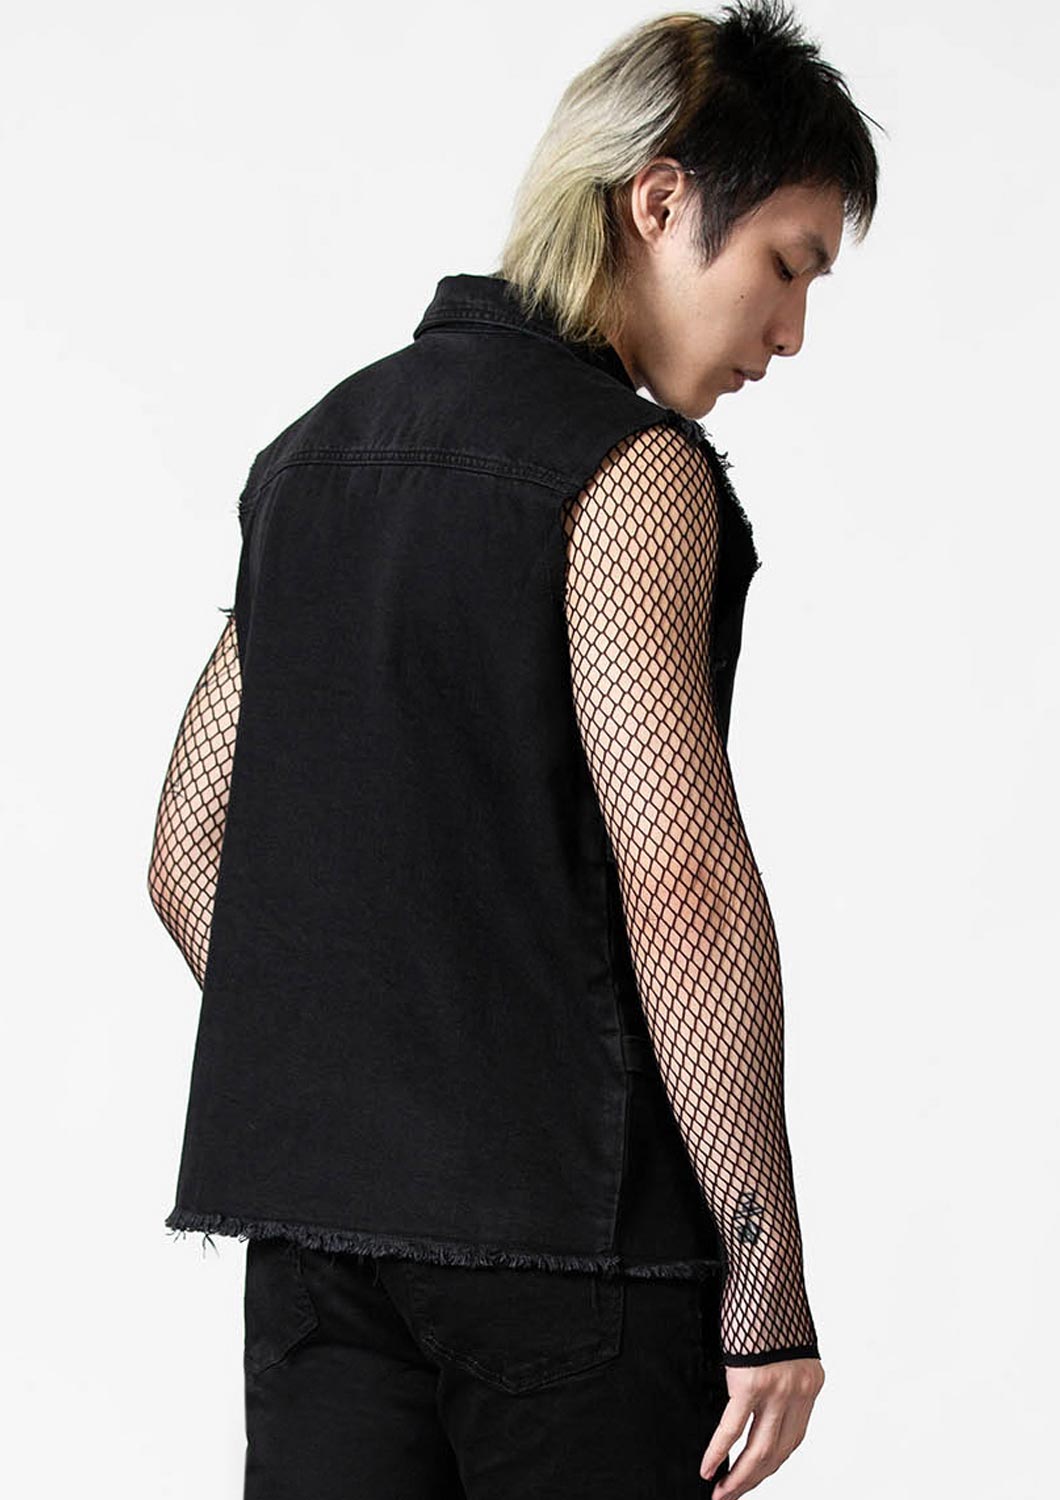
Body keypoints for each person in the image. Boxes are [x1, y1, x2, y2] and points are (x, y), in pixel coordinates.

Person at [146, 4, 880, 1497]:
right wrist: (767, 1275)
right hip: (576, 1255)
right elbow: (682, 883)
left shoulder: (314, 456)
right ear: (660, 201)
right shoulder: (630, 472)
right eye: (786, 265)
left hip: (322, 1254)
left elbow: (185, 853)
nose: (792, 331)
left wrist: (383, 1068)